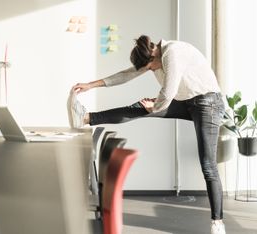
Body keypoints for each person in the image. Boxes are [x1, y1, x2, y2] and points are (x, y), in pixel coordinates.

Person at [67, 35, 226, 234]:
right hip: (188, 101)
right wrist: (91, 85)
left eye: (150, 67)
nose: (150, 70)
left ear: (153, 56)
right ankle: (85, 118)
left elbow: (168, 92)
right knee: (139, 107)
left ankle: (217, 223)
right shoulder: (152, 56)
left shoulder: (172, 53)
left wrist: (156, 107)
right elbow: (125, 75)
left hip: (208, 103)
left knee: (208, 165)